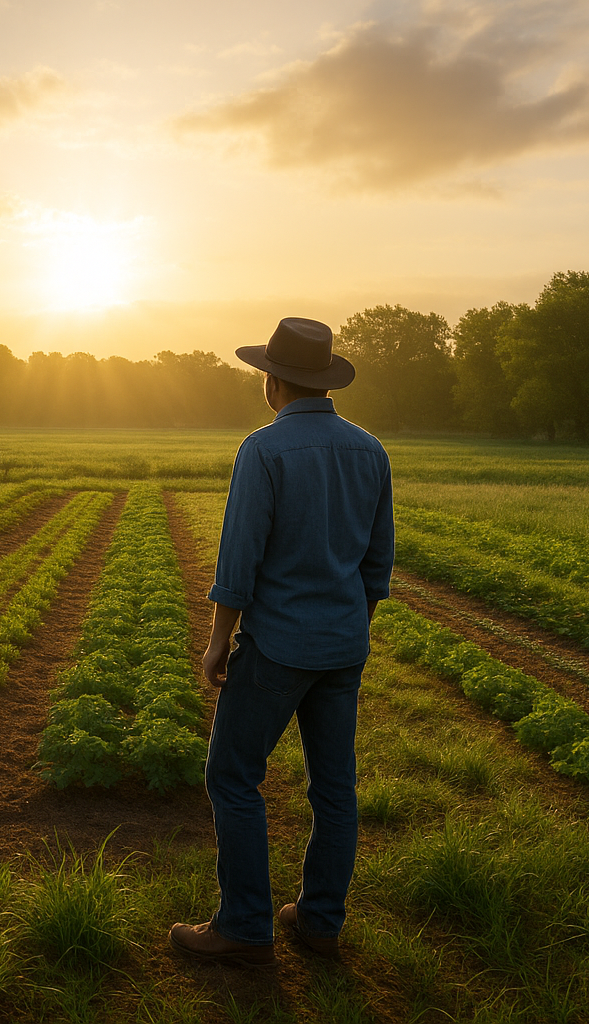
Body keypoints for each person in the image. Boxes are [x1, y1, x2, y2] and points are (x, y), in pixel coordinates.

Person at [169, 317, 393, 966]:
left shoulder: (262, 450)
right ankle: (320, 923)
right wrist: (353, 630)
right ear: (323, 382)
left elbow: (239, 563)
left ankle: (244, 926)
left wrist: (218, 642)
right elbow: (376, 566)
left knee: (233, 778)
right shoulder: (371, 450)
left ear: (273, 381)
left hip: (277, 647)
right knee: (334, 788)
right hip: (344, 645)